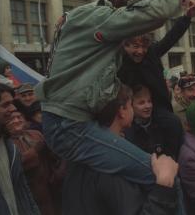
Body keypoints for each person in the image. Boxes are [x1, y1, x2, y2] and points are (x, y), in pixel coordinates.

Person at [34, 0, 195, 190]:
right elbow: (156, 10)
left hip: (70, 124)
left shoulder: (91, 25)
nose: (136, 41)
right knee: (163, 177)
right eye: (134, 25)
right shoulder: (102, 17)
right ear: (126, 12)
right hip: (69, 125)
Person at [63, 84, 180, 215]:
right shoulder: (111, 163)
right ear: (122, 111)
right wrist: (164, 185)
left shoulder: (80, 152)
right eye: (131, 104)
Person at [118, 0, 195, 112]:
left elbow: (171, 37)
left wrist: (187, 17)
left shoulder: (152, 53)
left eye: (144, 47)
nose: (140, 51)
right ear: (125, 46)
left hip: (160, 110)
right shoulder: (117, 62)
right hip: (131, 115)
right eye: (135, 46)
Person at [3, 111, 58, 215]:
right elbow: (17, 165)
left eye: (19, 116)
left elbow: (51, 155)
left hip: (48, 186)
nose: (17, 120)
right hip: (28, 191)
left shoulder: (35, 134)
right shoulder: (6, 145)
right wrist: (36, 150)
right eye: (12, 119)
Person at [0, 83, 40, 215]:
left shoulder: (10, 148)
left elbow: (24, 192)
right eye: (5, 105)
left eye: (12, 103)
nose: (13, 108)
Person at [124, 84, 184, 159]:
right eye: (141, 103)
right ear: (131, 105)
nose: (148, 106)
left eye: (149, 101)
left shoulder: (165, 124)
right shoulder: (126, 130)